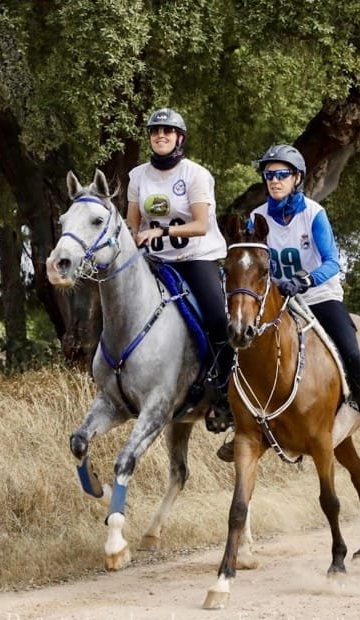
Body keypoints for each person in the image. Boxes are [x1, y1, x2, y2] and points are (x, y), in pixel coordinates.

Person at [244, 143, 360, 455]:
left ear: (297, 178)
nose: (274, 180)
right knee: (242, 343)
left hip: (320, 296)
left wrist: (305, 280)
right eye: (269, 175)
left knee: (350, 350)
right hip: (279, 300)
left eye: (282, 174)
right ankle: (237, 418)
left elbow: (332, 262)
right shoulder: (256, 218)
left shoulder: (313, 213)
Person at [126, 107, 234, 442]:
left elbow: (201, 225)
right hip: (156, 260)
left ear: (179, 138)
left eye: (167, 131)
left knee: (218, 319)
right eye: (155, 131)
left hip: (195, 256)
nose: (160, 135)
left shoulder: (196, 175)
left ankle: (225, 395)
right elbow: (133, 225)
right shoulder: (137, 176)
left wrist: (160, 234)